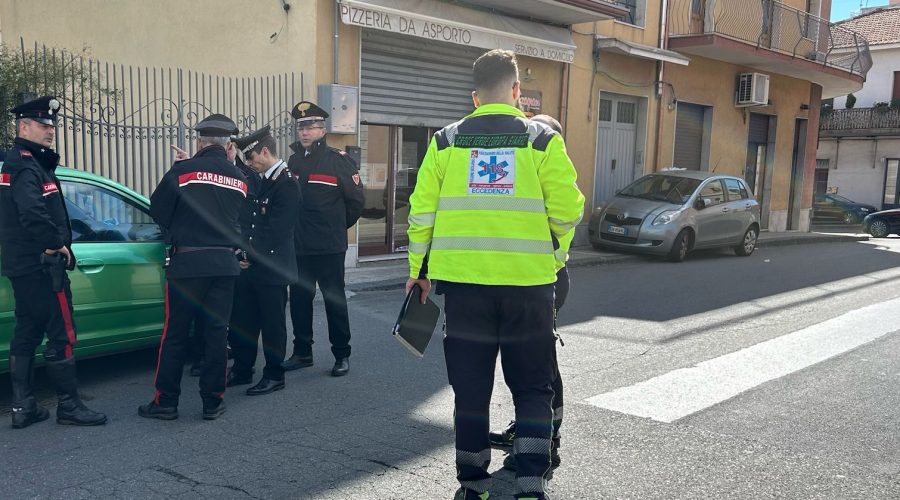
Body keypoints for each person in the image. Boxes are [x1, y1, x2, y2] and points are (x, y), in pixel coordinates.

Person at [405, 50, 584, 500]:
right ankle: (529, 485)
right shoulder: (542, 141)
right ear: (517, 91)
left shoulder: (446, 142)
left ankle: (473, 486)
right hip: (529, 289)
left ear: (474, 96)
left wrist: (418, 272)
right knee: (531, 388)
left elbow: (421, 212)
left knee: (470, 392)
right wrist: (555, 257)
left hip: (465, 290)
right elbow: (568, 210)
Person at [0, 95, 108, 428]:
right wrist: (55, 245)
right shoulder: (23, 163)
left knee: (27, 331)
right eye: (44, 125)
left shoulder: (26, 162)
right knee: (62, 332)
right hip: (41, 267)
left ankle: (23, 408)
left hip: (25, 266)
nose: (51, 131)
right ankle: (69, 406)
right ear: (24, 126)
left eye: (52, 126)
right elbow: (31, 212)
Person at [139, 113, 247, 421]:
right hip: (225, 264)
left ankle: (166, 402)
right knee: (216, 333)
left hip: (187, 264)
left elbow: (158, 209)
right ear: (228, 146)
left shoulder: (182, 171)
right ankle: (212, 402)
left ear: (200, 142)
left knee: (174, 334)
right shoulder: (239, 178)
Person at [490, 114, 571, 477]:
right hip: (524, 281)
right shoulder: (527, 173)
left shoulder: (554, 176)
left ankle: (547, 442)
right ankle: (528, 430)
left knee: (541, 370)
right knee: (525, 369)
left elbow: (562, 226)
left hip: (545, 281)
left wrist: (548, 268)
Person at [282, 101, 364, 377]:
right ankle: (302, 352)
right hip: (300, 246)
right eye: (301, 127)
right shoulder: (294, 161)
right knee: (300, 302)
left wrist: (335, 228)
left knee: (334, 301)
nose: (304, 132)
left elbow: (356, 203)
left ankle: (342, 354)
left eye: (310, 127)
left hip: (329, 247)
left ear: (323, 129)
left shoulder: (338, 160)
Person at [227, 126, 301, 395]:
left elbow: (276, 231)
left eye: (251, 157)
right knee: (243, 321)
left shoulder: (287, 182)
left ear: (265, 151)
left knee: (272, 326)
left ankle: (274, 374)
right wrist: (241, 250)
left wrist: (246, 253)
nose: (248, 163)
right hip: (253, 266)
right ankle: (243, 369)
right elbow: (250, 221)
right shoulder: (262, 178)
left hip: (272, 268)